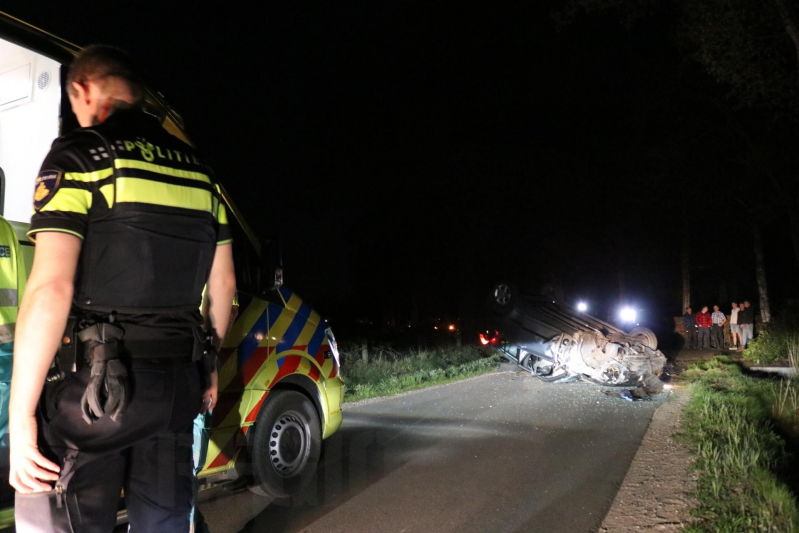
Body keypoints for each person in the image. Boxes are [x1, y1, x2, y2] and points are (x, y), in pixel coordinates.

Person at [9, 45, 236, 532]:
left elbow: (50, 288)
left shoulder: (80, 156)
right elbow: (224, 285)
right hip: (177, 389)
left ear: (83, 89)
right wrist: (208, 366)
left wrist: (22, 413)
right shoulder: (200, 174)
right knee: (165, 522)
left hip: (93, 395)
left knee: (57, 516)